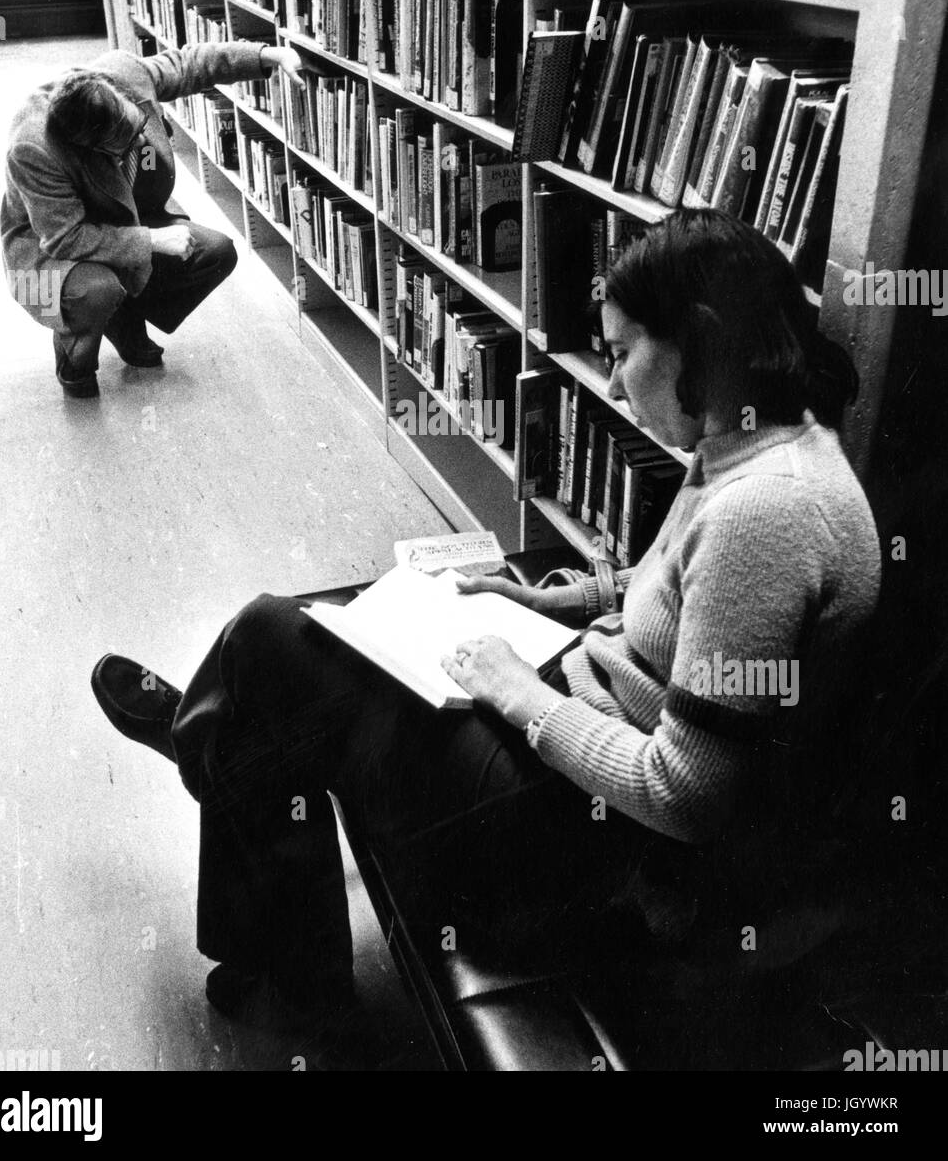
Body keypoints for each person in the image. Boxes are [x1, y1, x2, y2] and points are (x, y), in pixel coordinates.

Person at [91, 210, 881, 1044]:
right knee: (332, 626)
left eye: (618, 355)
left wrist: (517, 697)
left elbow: (682, 795)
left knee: (265, 643)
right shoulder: (758, 445)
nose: (610, 387)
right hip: (580, 735)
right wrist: (553, 603)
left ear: (700, 337)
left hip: (586, 846)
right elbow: (675, 596)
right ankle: (221, 744)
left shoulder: (766, 513)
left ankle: (205, 743)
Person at [1, 40, 304, 397]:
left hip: (121, 217)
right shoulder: (33, 148)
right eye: (126, 141)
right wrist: (152, 240)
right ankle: (74, 354)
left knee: (215, 252)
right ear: (91, 148)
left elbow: (193, 64)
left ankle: (123, 314)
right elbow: (65, 237)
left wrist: (269, 55)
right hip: (48, 252)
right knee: (97, 291)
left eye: (138, 122)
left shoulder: (124, 74)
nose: (142, 139)